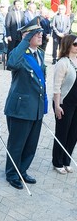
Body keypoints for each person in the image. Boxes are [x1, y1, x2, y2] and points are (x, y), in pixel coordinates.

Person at [4, 16, 48, 190]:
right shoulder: (20, 53)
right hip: (21, 107)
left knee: (31, 143)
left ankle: (22, 170)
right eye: (36, 33)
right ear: (27, 36)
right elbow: (12, 63)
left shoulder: (41, 53)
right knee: (17, 143)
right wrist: (24, 42)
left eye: (40, 33)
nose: (40, 36)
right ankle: (12, 173)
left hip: (35, 106)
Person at [52, 34, 77, 174]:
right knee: (62, 133)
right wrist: (57, 105)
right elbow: (57, 87)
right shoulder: (63, 62)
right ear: (68, 45)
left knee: (73, 134)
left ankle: (66, 160)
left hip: (76, 104)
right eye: (75, 44)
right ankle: (57, 162)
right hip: (64, 103)